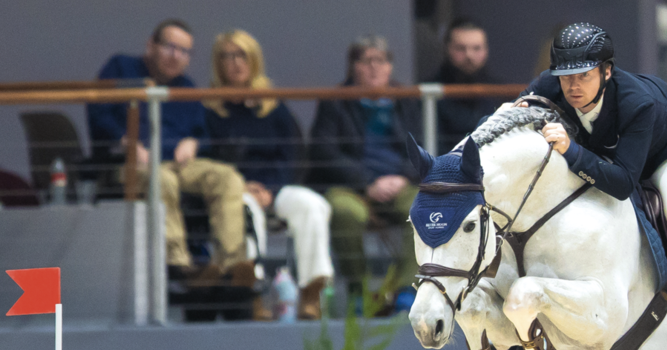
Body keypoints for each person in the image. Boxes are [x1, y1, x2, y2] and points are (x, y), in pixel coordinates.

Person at [512, 22, 667, 350]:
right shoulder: (547, 87)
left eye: (584, 76)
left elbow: (621, 185)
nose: (572, 86)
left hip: (665, 145)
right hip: (607, 150)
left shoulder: (639, 104)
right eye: (565, 76)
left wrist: (571, 151)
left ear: (607, 71)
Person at [88, 18, 255, 293]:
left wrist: (193, 142)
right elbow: (98, 112)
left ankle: (231, 267)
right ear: (150, 45)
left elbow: (203, 133)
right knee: (161, 178)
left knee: (227, 177)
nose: (176, 56)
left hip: (178, 162)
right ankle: (181, 265)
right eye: (170, 47)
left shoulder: (187, 88)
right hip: (130, 163)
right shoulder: (120, 67)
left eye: (184, 51)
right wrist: (125, 142)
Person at [204, 29, 335, 320]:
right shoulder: (209, 109)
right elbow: (210, 161)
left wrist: (271, 190)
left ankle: (312, 291)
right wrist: (242, 187)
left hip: (275, 188)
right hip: (235, 192)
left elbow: (293, 156)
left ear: (254, 60)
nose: (236, 62)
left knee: (311, 204)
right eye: (227, 56)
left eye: (242, 55)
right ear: (218, 63)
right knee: (243, 209)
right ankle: (255, 294)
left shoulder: (274, 107)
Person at [308, 35, 420, 316]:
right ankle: (361, 293)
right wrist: (366, 182)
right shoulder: (335, 101)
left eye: (380, 60)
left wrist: (404, 177)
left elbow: (420, 147)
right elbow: (324, 151)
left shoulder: (405, 99)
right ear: (352, 67)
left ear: (390, 66)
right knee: (345, 212)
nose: (373, 68)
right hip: (351, 186)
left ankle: (406, 291)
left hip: (399, 183)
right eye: (365, 60)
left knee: (423, 207)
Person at [428, 18, 505, 150]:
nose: (469, 55)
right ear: (447, 49)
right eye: (460, 48)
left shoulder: (501, 93)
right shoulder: (428, 94)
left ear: (486, 50)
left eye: (476, 48)